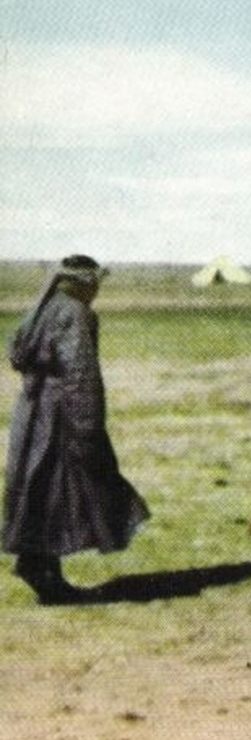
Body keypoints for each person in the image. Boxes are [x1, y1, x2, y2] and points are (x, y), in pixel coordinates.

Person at [5, 255, 149, 605]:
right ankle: (42, 570)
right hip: (61, 417)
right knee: (61, 492)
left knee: (38, 491)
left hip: (32, 413)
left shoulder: (44, 308)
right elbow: (80, 374)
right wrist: (87, 428)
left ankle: (38, 564)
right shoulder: (75, 313)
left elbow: (16, 355)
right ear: (84, 281)